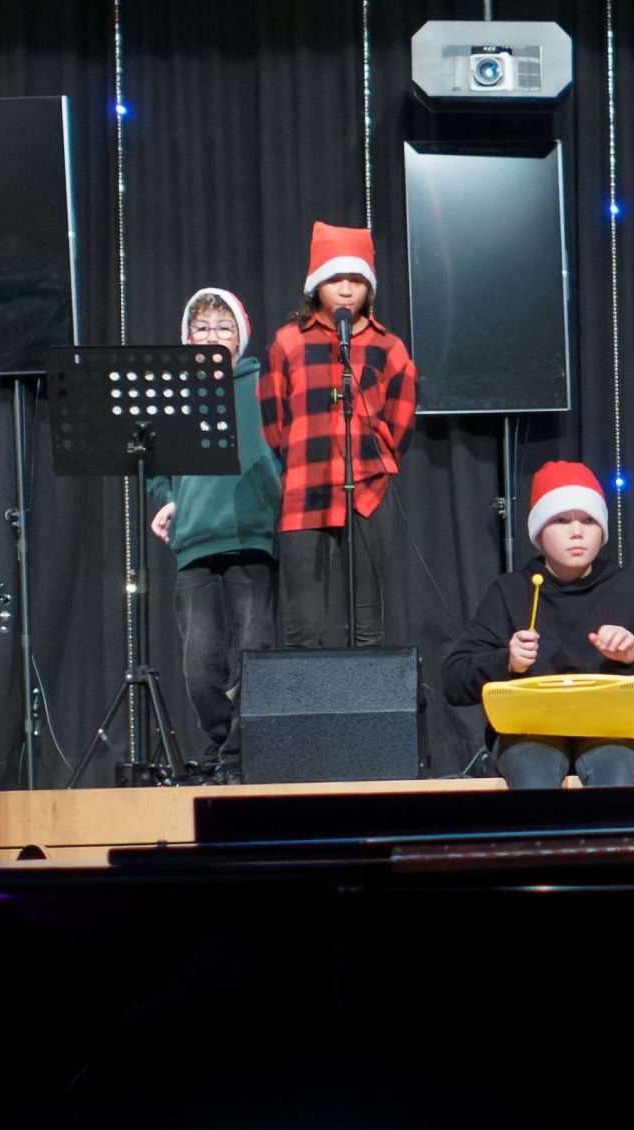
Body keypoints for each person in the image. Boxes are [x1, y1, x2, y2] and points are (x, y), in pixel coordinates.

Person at [442, 463, 634, 789]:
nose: (577, 532)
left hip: (613, 731)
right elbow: (454, 680)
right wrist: (507, 661)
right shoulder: (511, 591)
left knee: (614, 773)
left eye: (588, 520)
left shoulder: (627, 589)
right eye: (561, 520)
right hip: (529, 733)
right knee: (534, 776)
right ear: (538, 534)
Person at [261, 223, 416, 650]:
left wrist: (375, 450)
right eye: (335, 279)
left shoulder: (388, 347)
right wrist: (298, 456)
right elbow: (272, 418)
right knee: (303, 627)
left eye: (356, 280)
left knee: (367, 626)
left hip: (367, 490)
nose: (346, 290)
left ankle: (366, 695)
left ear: (369, 287)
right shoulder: (288, 342)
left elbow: (402, 415)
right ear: (317, 284)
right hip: (304, 489)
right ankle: (307, 697)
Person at [147, 287, 281, 778]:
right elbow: (156, 465)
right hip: (196, 544)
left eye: (223, 329)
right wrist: (166, 501)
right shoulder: (175, 394)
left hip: (250, 536)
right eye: (201, 328)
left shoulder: (262, 385)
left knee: (254, 655)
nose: (212, 337)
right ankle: (226, 743)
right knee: (198, 667)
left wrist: (276, 495)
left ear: (240, 338)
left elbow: (282, 449)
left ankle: (247, 754)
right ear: (187, 337)